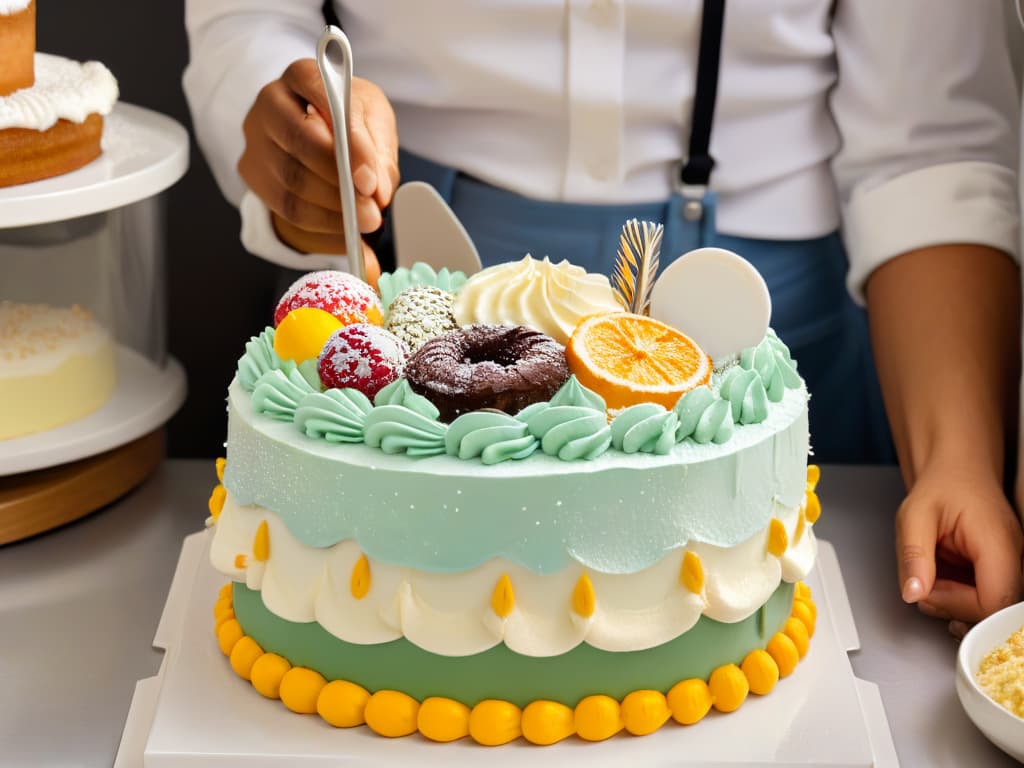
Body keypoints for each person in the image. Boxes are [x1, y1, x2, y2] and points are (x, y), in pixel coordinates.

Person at [183, 0, 1023, 630]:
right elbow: (250, 19)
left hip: (772, 326)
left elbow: (930, 144)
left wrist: (959, 461)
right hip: (418, 290)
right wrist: (305, 152)